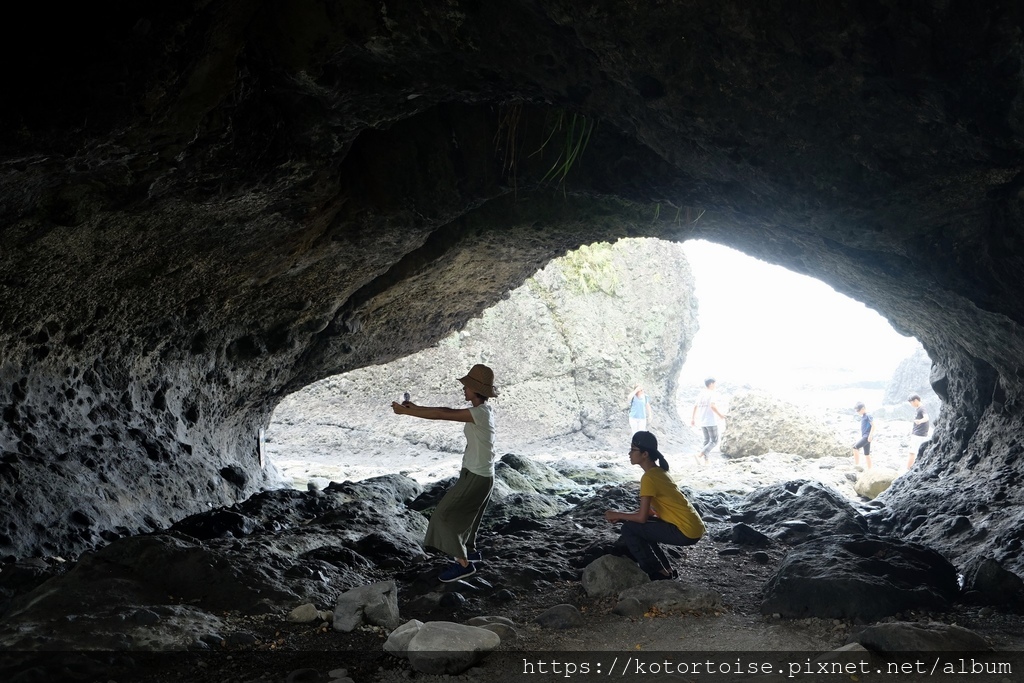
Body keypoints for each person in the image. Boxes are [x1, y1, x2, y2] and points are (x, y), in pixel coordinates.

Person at [392, 363, 497, 582]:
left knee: (442, 516)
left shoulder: (478, 414)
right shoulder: (484, 412)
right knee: (470, 516)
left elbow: (442, 413)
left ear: (476, 390)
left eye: (467, 386)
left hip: (477, 477)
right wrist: (414, 408)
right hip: (482, 476)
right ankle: (471, 552)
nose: (463, 389)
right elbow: (442, 412)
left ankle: (463, 564)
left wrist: (407, 412)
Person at [604, 431, 706, 580]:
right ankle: (667, 570)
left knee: (629, 529)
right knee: (638, 528)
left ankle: (657, 573)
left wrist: (617, 514)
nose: (629, 453)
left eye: (633, 450)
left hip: (684, 531)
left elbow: (641, 518)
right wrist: (625, 517)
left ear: (645, 454)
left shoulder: (649, 478)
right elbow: (651, 512)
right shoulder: (659, 472)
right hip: (693, 527)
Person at [691, 378, 726, 464]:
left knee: (707, 440)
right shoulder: (711, 394)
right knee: (714, 441)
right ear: (711, 384)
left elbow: (695, 406)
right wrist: (720, 415)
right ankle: (700, 455)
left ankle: (706, 461)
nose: (715, 386)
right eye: (714, 384)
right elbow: (712, 406)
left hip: (702, 421)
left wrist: (693, 419)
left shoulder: (701, 394)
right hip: (711, 421)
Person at [906, 394, 930, 470]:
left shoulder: (921, 408)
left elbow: (926, 418)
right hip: (921, 434)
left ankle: (908, 469)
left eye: (911, 402)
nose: (911, 404)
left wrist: (920, 421)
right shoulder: (919, 409)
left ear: (916, 400)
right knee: (921, 452)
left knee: (912, 452)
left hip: (918, 434)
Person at [852, 401, 874, 469]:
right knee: (867, 454)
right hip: (866, 436)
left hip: (867, 436)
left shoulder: (868, 415)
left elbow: (873, 426)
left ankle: (857, 465)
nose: (857, 412)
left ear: (863, 408)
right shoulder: (864, 416)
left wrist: (870, 435)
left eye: (858, 410)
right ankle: (870, 469)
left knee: (855, 448)